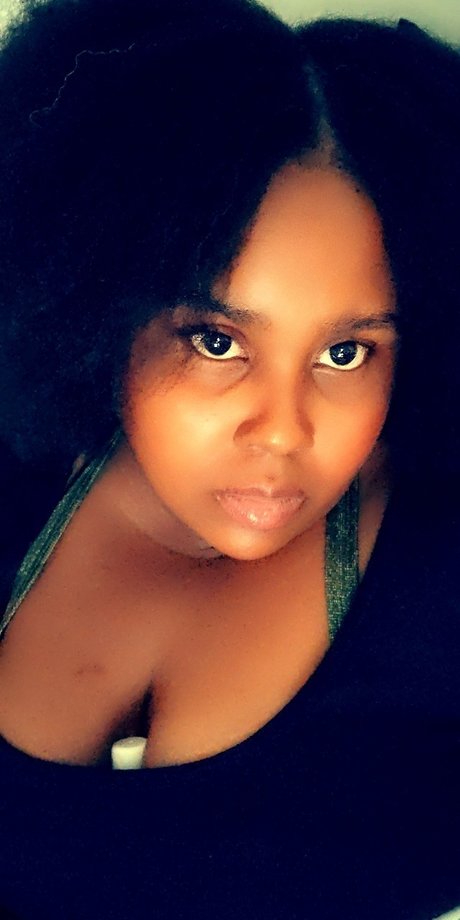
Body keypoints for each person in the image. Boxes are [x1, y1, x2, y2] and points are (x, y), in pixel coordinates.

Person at [0, 1, 459, 917]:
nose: (282, 431)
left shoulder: (439, 583)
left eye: (346, 353)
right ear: (102, 304)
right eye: (217, 341)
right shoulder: (19, 477)